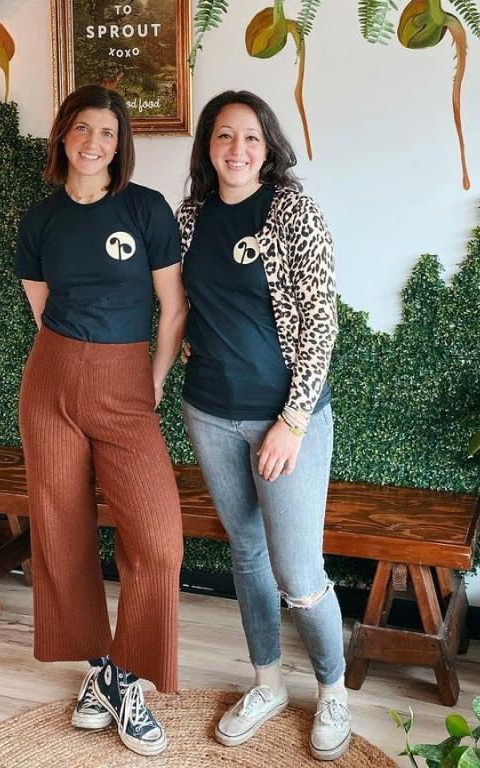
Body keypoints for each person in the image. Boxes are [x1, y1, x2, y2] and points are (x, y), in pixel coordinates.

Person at [176, 90, 349, 761]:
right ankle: (268, 682)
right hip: (209, 410)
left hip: (286, 419)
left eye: (250, 137)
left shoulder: (293, 213)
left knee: (299, 572)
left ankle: (332, 690)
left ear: (268, 146)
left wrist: (293, 422)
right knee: (245, 553)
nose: (237, 150)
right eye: (224, 137)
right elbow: (180, 300)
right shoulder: (189, 217)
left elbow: (320, 324)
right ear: (208, 147)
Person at [15, 85, 187, 757]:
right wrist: (72, 368)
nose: (95, 142)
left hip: (127, 386)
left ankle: (123, 675)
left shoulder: (144, 210)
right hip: (51, 382)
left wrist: (152, 377)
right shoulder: (40, 221)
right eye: (83, 128)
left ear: (122, 145)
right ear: (62, 136)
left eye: (108, 133)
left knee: (159, 539)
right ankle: (99, 672)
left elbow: (171, 308)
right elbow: (43, 308)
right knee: (60, 528)